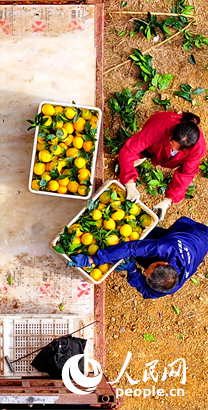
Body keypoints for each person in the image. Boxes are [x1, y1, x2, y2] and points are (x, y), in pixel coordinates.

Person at [70, 217, 208, 299]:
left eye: (146, 274)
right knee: (147, 236)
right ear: (165, 263)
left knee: (143, 251)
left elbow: (147, 292)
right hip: (192, 233)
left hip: (199, 246)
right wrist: (94, 259)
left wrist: (134, 272)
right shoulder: (166, 247)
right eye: (149, 269)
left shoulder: (171, 286)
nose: (146, 270)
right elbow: (133, 247)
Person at [118, 111, 206, 219]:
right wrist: (129, 182)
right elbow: (130, 149)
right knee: (145, 151)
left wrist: (168, 200)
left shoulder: (198, 149)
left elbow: (186, 174)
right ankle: (144, 155)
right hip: (156, 140)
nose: (172, 148)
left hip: (171, 156)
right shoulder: (158, 127)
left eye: (177, 148)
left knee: (165, 156)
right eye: (172, 143)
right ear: (171, 134)